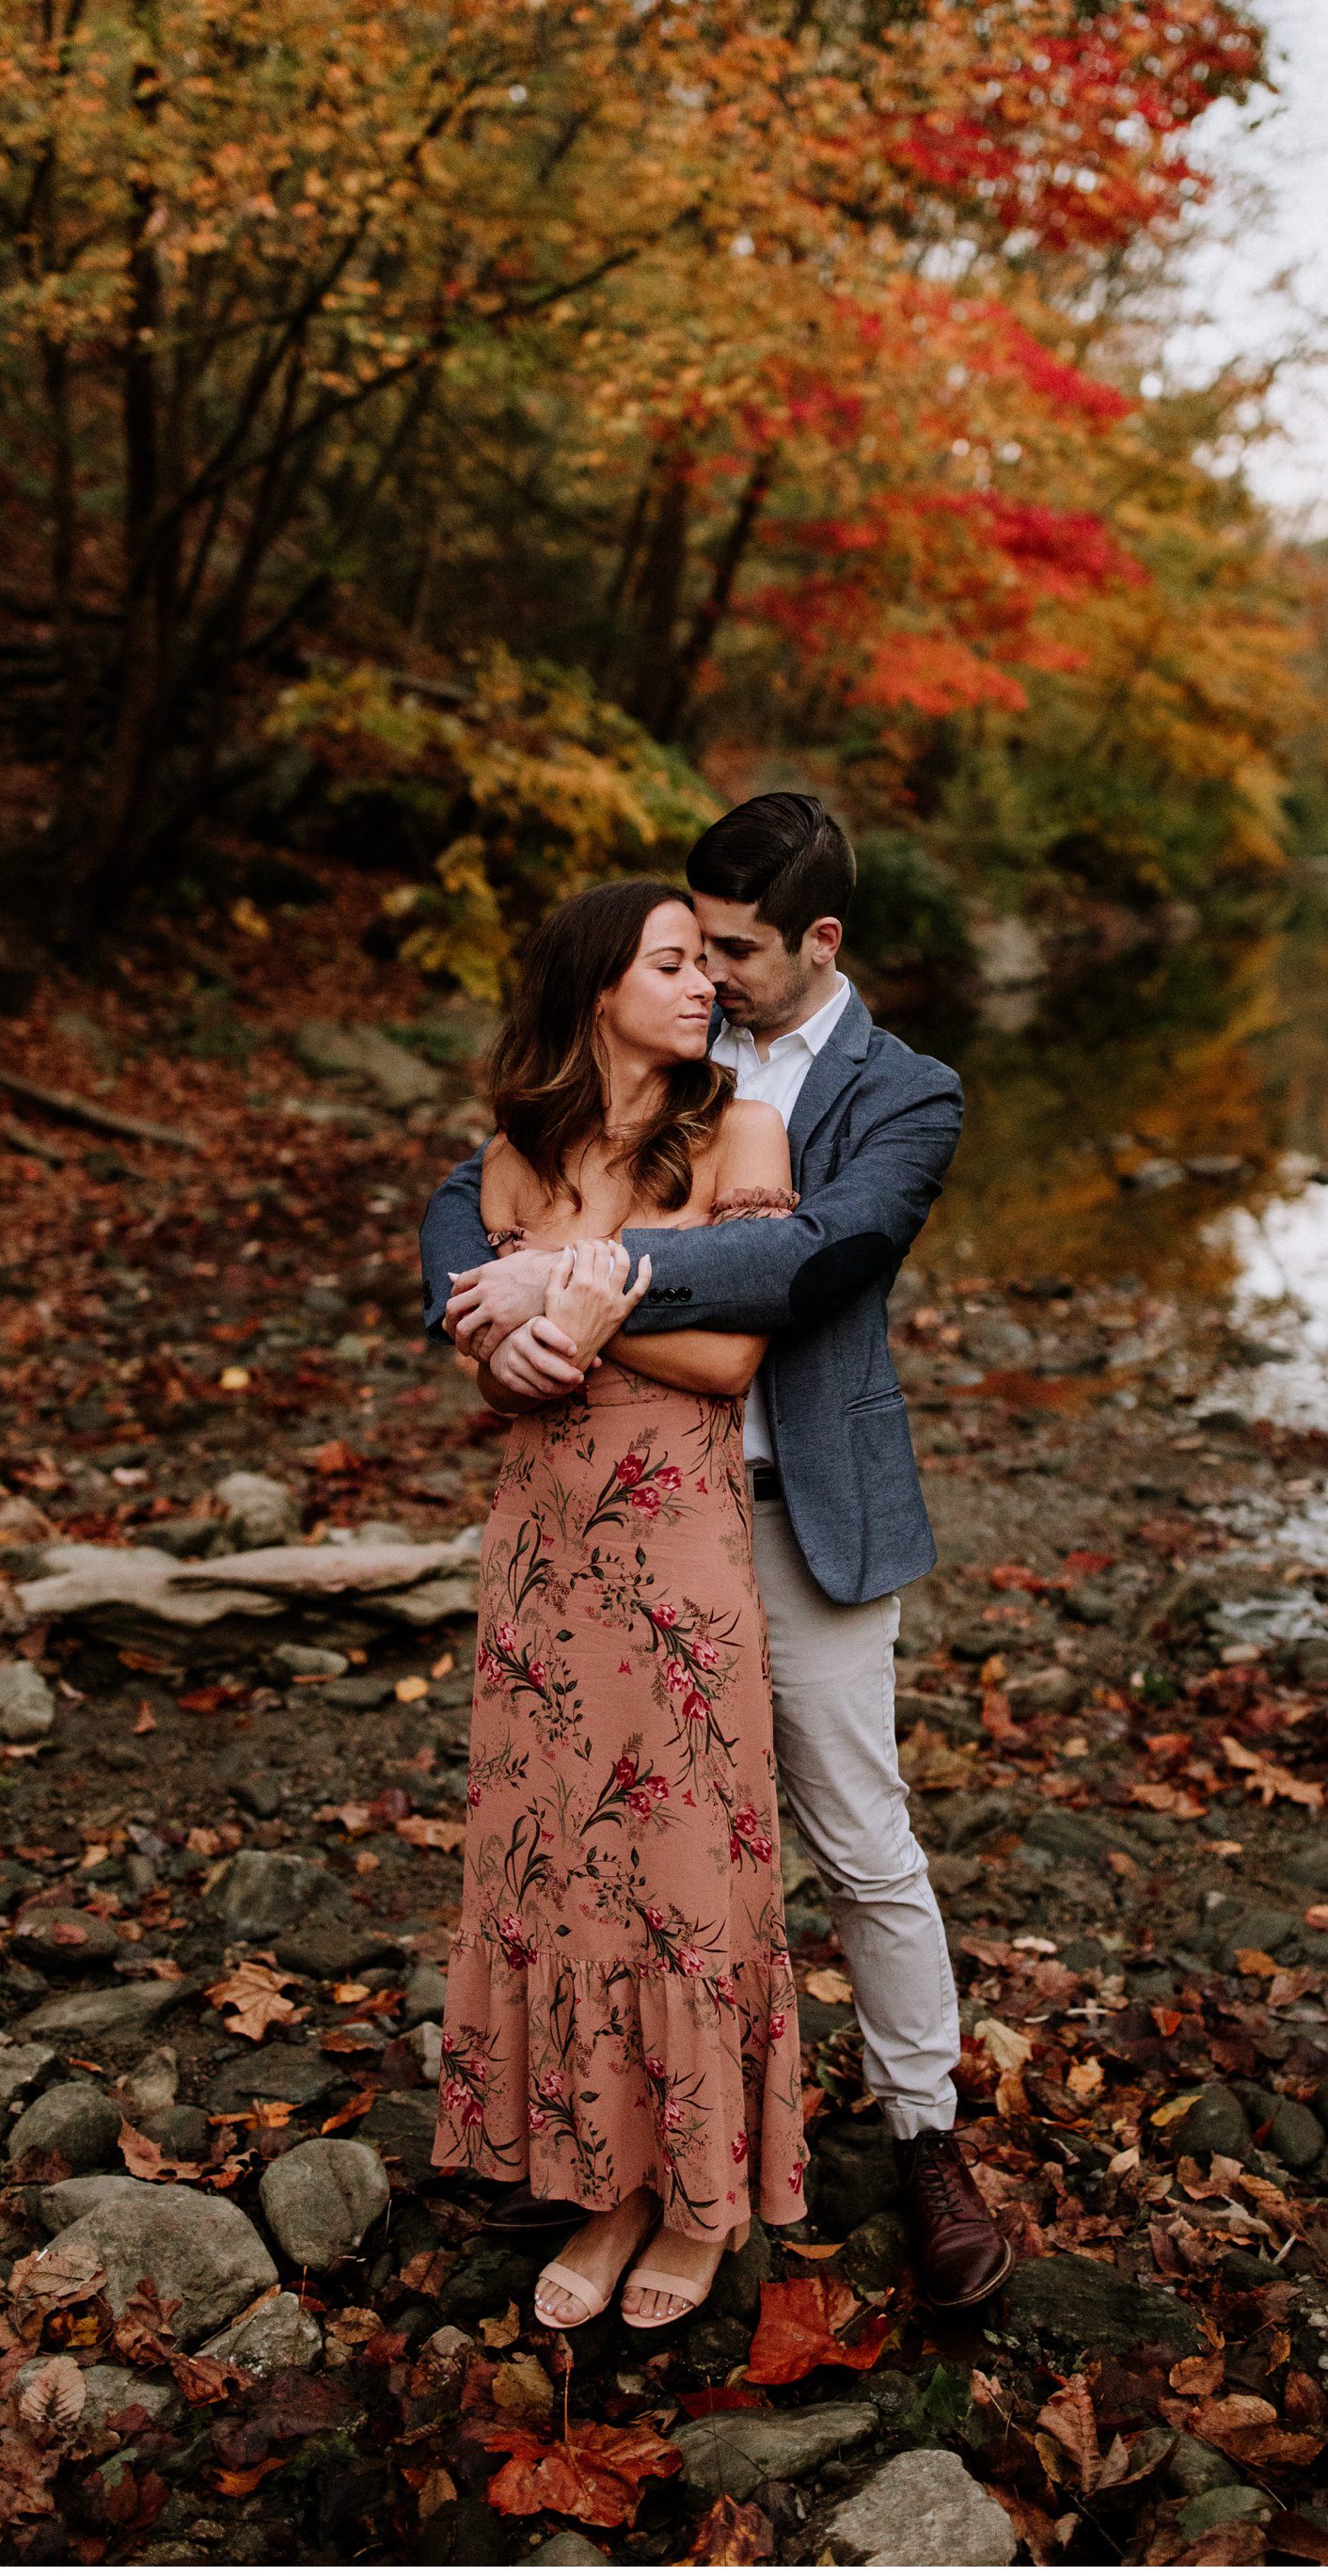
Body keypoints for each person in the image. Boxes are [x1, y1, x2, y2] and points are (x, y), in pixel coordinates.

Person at [423, 795, 1012, 2313]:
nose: (714, 974)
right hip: (601, 1522)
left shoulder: (904, 1092)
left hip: (791, 1508)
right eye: (689, 944)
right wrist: (472, 1299)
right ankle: (606, 2145)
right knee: (604, 1844)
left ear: (817, 940)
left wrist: (568, 1275)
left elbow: (812, 1257)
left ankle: (926, 2134)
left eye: (736, 949)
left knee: (855, 1836)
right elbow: (464, 1194)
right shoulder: (648, 1062)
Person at [431, 877, 811, 2332]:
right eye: (671, 962)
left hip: (676, 1558)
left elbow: (731, 1360)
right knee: (556, 1857)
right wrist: (514, 1346)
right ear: (599, 984)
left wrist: (579, 1312)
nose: (703, 980)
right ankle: (604, 2181)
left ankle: (701, 2196)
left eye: (708, 961)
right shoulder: (518, 1157)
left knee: (679, 1855)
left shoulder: (741, 1133)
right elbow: (483, 1348)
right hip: (541, 1545)